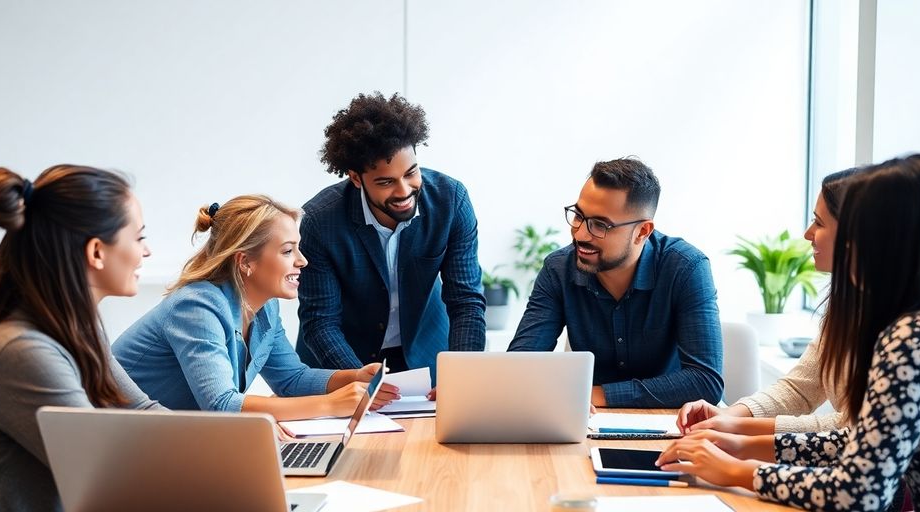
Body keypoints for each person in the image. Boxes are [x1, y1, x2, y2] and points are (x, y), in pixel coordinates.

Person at [657, 154, 920, 511]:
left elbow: (858, 491)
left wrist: (739, 470)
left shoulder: (916, 337)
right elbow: (858, 440)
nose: (808, 234)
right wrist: (740, 442)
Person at [0, 165, 161, 510]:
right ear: (97, 252)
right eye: (139, 237)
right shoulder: (21, 350)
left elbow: (140, 410)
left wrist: (231, 448)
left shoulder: (74, 327)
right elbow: (105, 482)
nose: (146, 252)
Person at [113, 195, 397, 419]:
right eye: (288, 251)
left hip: (168, 440)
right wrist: (330, 405)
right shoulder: (196, 307)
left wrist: (353, 377)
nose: (302, 261)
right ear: (245, 261)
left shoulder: (265, 309)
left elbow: (292, 378)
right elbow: (221, 405)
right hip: (118, 443)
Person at [296, 92, 485, 387]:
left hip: (425, 358)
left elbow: (466, 302)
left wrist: (461, 378)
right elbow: (321, 322)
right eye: (386, 182)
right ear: (356, 179)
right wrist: (361, 384)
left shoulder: (451, 201)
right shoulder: (319, 222)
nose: (403, 191)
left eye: (411, 173)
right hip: (343, 364)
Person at [509, 157, 723, 408]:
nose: (580, 234)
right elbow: (519, 367)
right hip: (586, 424)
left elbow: (705, 381)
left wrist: (595, 395)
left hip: (672, 426)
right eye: (578, 216)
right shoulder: (558, 268)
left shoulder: (686, 268)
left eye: (600, 225)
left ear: (643, 231)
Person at [676, 168, 861, 435]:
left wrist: (741, 428)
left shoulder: (900, 325)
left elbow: (852, 427)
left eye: (819, 223)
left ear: (854, 235)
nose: (808, 233)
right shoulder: (846, 305)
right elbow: (799, 388)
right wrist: (730, 414)